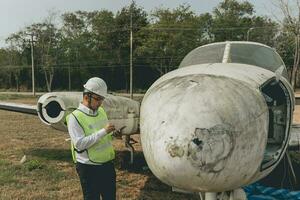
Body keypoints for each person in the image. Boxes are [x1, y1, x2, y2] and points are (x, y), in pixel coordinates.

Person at [66, 77, 117, 200]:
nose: (100, 103)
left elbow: (103, 136)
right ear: (86, 96)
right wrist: (104, 131)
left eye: (102, 99)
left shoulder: (101, 111)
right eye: (97, 99)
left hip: (107, 165)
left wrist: (112, 134)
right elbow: (79, 144)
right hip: (89, 168)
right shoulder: (75, 117)